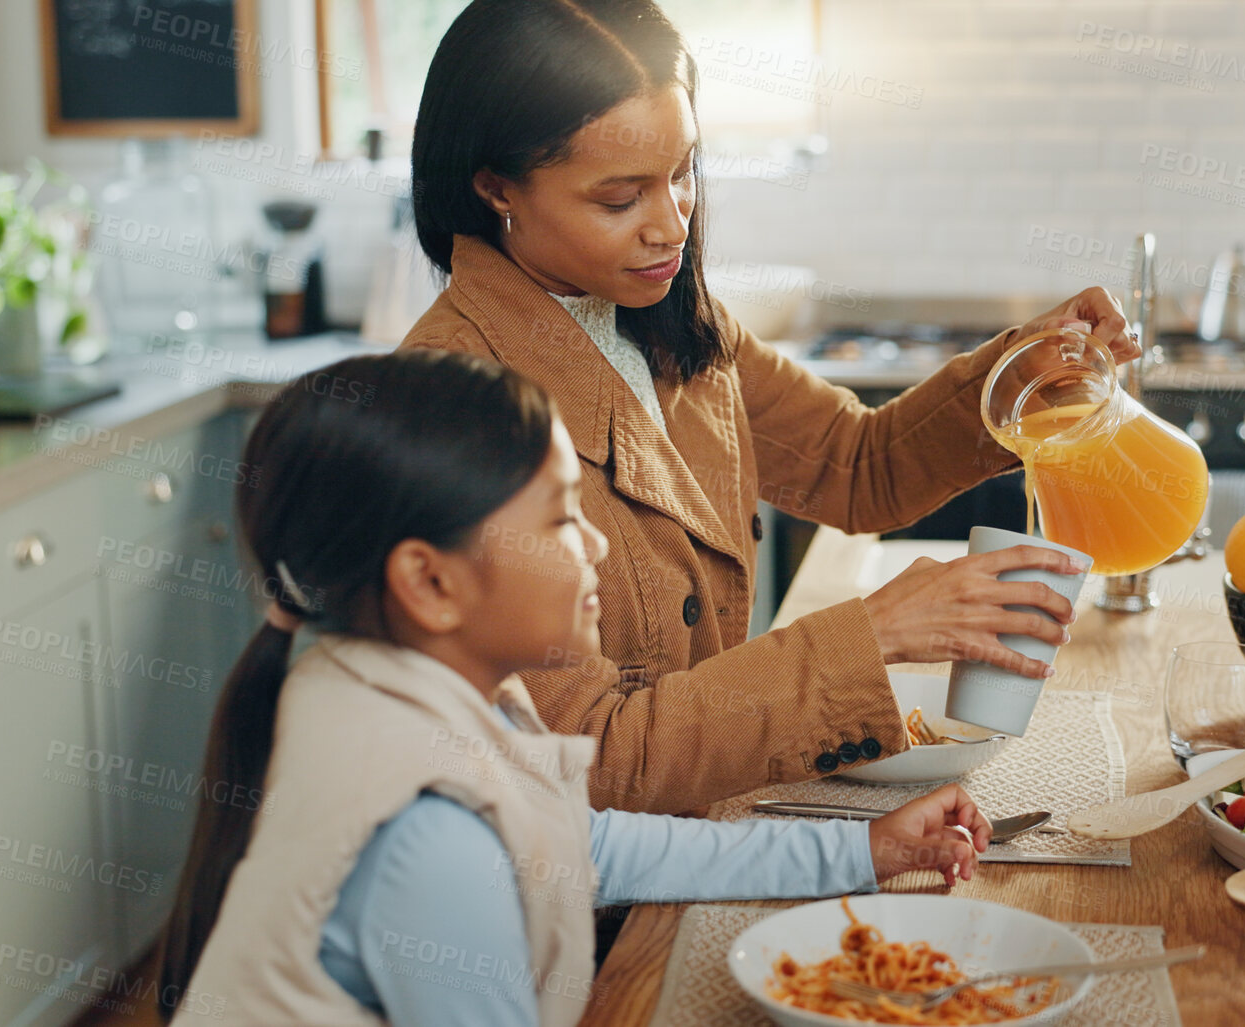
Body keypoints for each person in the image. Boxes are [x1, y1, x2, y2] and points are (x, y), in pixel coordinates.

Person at [404, 0, 1139, 815]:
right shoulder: (449, 400)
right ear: (494, 184)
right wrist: (871, 634)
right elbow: (590, 761)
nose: (671, 224)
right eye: (620, 199)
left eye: (683, 172)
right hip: (585, 896)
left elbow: (856, 465)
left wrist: (1020, 371)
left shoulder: (669, 320)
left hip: (713, 818)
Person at [158, 350, 996, 1025]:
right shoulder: (430, 841)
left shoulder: (384, 678)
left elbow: (578, 844)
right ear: (429, 582)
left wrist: (861, 850)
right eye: (560, 517)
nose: (595, 544)